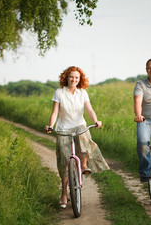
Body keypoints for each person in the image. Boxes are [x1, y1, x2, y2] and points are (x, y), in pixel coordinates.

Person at [45, 66, 109, 209]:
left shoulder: (82, 93)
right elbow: (55, 112)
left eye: (76, 78)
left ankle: (84, 164)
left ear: (80, 80)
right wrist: (50, 125)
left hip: (79, 125)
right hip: (63, 128)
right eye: (71, 77)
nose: (74, 80)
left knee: (84, 134)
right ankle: (63, 193)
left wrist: (95, 121)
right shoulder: (59, 93)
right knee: (64, 162)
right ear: (66, 77)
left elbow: (89, 109)